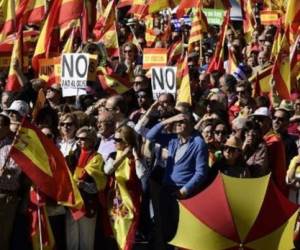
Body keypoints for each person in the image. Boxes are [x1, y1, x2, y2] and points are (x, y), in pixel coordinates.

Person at [105, 125, 145, 250]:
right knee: (118, 230)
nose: (115, 143)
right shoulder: (113, 155)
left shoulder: (135, 156)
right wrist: (122, 156)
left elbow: (141, 174)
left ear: (127, 142)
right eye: (114, 140)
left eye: (118, 140)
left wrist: (135, 157)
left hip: (131, 201)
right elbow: (108, 170)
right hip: (117, 200)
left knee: (128, 232)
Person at [66, 126, 106, 250]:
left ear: (92, 140)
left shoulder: (97, 158)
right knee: (71, 239)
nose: (79, 141)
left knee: (86, 241)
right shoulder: (73, 156)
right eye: (77, 138)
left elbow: (98, 186)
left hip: (88, 204)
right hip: (72, 203)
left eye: (83, 139)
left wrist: (82, 185)